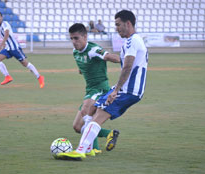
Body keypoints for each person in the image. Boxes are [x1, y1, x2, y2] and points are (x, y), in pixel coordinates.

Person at [58, 10, 148, 160]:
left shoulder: (133, 41)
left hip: (128, 90)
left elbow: (127, 66)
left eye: (118, 25)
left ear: (128, 23)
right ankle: (87, 149)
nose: (116, 28)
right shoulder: (130, 41)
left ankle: (81, 150)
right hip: (127, 89)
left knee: (96, 117)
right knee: (92, 114)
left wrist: (116, 90)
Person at [68, 23, 121, 155]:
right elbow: (82, 67)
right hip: (90, 90)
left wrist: (126, 60)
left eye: (76, 38)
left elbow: (108, 56)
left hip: (101, 88)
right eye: (72, 39)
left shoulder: (93, 49)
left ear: (85, 36)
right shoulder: (75, 53)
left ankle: (92, 148)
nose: (74, 42)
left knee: (87, 110)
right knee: (77, 126)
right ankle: (109, 134)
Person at [0, 11, 44, 87]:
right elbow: (6, 37)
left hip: (14, 48)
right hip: (8, 48)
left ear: (2, 17)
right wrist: (4, 44)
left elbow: (7, 33)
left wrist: (2, 44)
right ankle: (7, 77)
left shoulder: (5, 24)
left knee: (25, 63)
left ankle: (39, 77)